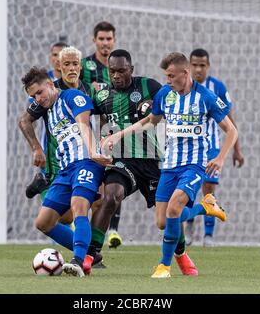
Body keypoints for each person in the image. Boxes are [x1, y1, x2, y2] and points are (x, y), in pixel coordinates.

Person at [104, 52, 238, 278]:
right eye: (166, 76)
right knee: (163, 221)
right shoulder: (166, 95)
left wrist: (221, 157)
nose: (167, 80)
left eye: (171, 76)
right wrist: (119, 135)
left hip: (194, 166)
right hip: (169, 166)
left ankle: (164, 266)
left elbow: (231, 130)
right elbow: (150, 121)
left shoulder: (204, 97)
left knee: (175, 208)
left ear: (185, 74)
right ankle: (205, 207)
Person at [84, 49, 203, 276]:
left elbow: (174, 100)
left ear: (131, 69)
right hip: (122, 160)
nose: (117, 75)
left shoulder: (149, 86)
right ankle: (90, 254)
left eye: (121, 70)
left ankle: (180, 253)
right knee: (110, 196)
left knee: (168, 215)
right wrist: (98, 144)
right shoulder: (101, 96)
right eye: (112, 71)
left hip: (153, 161)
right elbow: (87, 119)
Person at [19, 67, 112, 277]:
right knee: (43, 222)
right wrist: (36, 148)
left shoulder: (72, 96)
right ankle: (90, 252)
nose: (37, 98)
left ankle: (78, 261)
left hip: (87, 162)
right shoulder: (49, 112)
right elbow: (24, 120)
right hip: (66, 169)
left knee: (79, 206)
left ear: (51, 84)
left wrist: (93, 152)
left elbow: (84, 124)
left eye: (40, 92)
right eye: (33, 96)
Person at [185, 48, 245, 247]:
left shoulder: (216, 87)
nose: (198, 69)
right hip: (190, 147)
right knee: (189, 188)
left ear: (208, 66)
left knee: (208, 189)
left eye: (202, 65)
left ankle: (208, 235)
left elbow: (230, 120)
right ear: (189, 66)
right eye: (194, 64)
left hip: (212, 147)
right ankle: (189, 226)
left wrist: (237, 149)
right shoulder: (183, 86)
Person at [80, 21, 123, 248]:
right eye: (101, 39)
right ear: (94, 40)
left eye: (109, 39)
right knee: (93, 183)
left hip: (111, 130)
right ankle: (82, 224)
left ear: (114, 40)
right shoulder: (85, 65)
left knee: (116, 175)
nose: (105, 43)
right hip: (88, 128)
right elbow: (80, 93)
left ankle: (113, 230)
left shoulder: (118, 64)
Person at [25, 41, 69, 198]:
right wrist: (36, 148)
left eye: (62, 54)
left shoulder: (79, 83)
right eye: (55, 55)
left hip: (80, 149)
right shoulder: (42, 86)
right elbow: (27, 119)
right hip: (52, 149)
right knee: (50, 214)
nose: (58, 59)